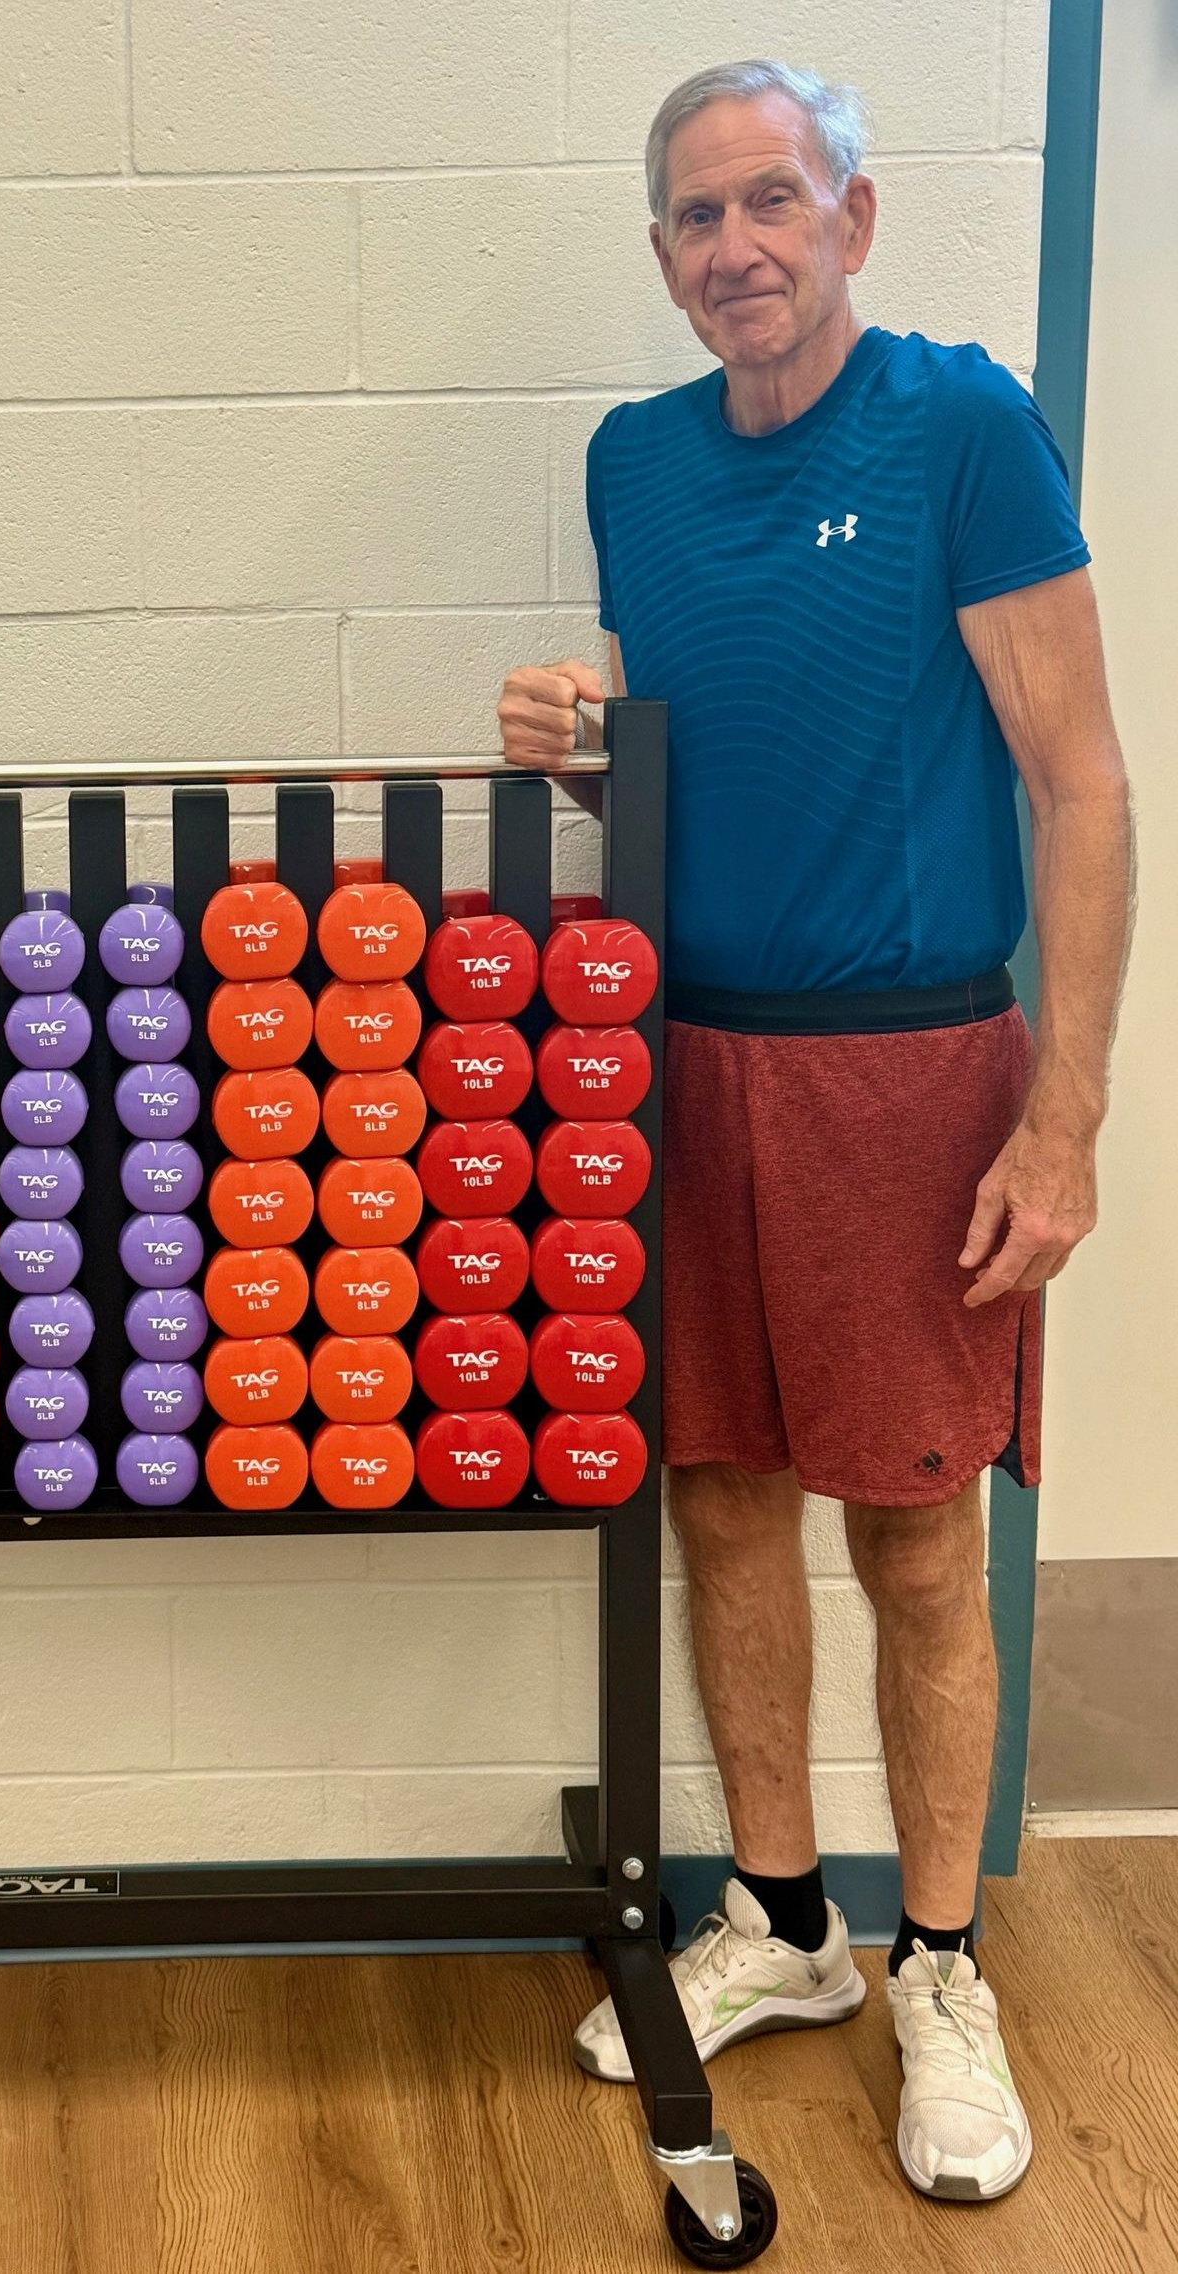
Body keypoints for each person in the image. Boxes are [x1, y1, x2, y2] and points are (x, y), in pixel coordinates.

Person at [498, 59, 1132, 2203]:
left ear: (854, 220)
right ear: (663, 259)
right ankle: (786, 1923)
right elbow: (712, 777)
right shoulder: (636, 466)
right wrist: (579, 763)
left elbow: (1083, 784)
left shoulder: (961, 429)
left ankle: (943, 1962)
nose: (737, 246)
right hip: (680, 1067)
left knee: (922, 1541)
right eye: (696, 216)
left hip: (913, 1067)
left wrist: (1066, 1113)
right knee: (724, 1502)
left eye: (775, 200)